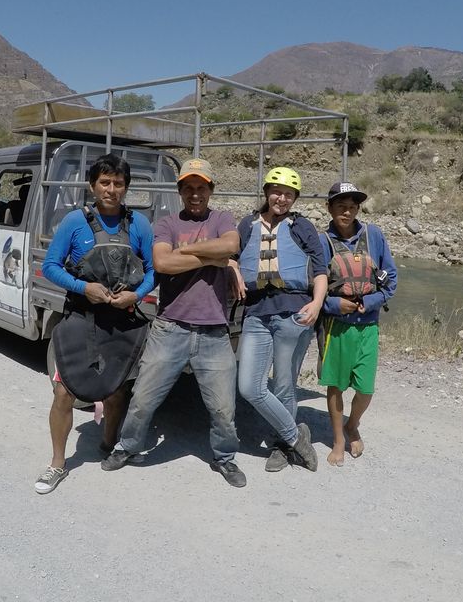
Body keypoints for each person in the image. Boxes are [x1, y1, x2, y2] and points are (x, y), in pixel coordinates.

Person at [102, 158, 247, 487]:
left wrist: (190, 252)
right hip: (170, 328)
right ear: (180, 191)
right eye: (188, 188)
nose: (195, 194)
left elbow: (231, 245)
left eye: (201, 188)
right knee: (143, 399)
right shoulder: (166, 223)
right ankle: (128, 447)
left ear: (211, 190)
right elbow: (162, 264)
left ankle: (225, 457)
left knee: (223, 408)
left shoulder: (223, 219)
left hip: (213, 331)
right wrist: (214, 259)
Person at [34, 153, 155, 494]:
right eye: (105, 182)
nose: (111, 189)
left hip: (122, 320)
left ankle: (108, 444)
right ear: (92, 186)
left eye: (118, 183)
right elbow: (51, 266)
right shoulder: (75, 222)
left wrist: (136, 295)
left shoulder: (139, 224)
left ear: (126, 187)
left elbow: (152, 271)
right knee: (63, 392)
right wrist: (83, 287)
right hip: (80, 317)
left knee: (117, 390)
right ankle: (57, 463)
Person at [234, 166, 328, 472]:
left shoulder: (302, 227)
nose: (282, 199)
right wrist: (233, 269)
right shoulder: (247, 225)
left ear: (295, 198)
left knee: (285, 385)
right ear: (266, 192)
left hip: (294, 313)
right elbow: (230, 256)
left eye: (289, 194)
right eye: (276, 192)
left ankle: (280, 445)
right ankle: (295, 436)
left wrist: (316, 303)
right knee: (249, 386)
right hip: (256, 313)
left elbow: (321, 270)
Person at [317, 181, 397, 466]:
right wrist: (333, 305)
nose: (347, 212)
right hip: (336, 327)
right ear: (329, 208)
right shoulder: (322, 242)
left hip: (368, 325)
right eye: (341, 206)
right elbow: (312, 285)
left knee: (365, 388)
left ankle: (353, 424)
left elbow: (390, 279)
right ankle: (339, 439)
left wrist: (371, 301)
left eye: (352, 207)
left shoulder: (374, 236)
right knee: (335, 385)